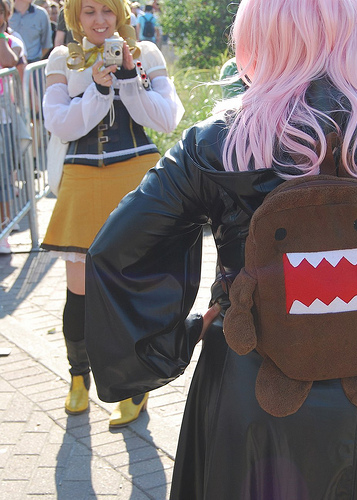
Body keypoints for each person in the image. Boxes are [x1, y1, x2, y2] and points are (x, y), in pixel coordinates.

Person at [85, 0, 357, 498]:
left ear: (256, 38)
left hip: (248, 397)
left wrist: (173, 340)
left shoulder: (218, 142)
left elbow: (118, 251)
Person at [40, 0, 184, 427]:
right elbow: (60, 124)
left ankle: (136, 385)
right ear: (75, 17)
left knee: (133, 288)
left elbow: (167, 118)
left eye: (107, 9)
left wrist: (127, 78)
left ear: (121, 13)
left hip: (136, 176)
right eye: (89, 11)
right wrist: (97, 89)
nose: (100, 20)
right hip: (82, 177)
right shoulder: (62, 58)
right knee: (79, 291)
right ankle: (78, 379)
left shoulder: (145, 53)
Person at [0, 0, 27, 254]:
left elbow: (9, 61)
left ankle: (5, 228)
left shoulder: (12, 41)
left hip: (4, 119)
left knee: (5, 174)